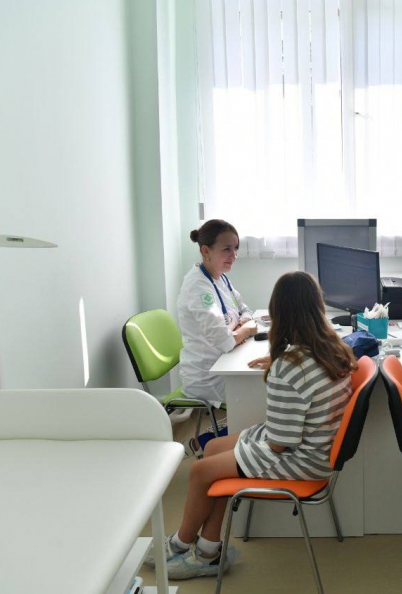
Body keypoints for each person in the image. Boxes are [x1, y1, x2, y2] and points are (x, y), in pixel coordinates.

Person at [151, 271, 358, 579]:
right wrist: (281, 363)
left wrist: (280, 367)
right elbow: (294, 409)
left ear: (278, 313)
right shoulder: (331, 348)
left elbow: (279, 443)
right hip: (314, 445)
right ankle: (208, 547)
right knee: (213, 448)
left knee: (200, 470)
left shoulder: (290, 367)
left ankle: (181, 543)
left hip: (302, 458)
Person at [177, 220, 257, 408]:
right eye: (226, 249)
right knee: (263, 388)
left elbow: (246, 310)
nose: (234, 255)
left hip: (226, 360)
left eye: (235, 248)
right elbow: (224, 341)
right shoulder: (198, 286)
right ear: (206, 251)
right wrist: (247, 330)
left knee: (267, 376)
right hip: (208, 376)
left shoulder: (221, 278)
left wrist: (240, 328)